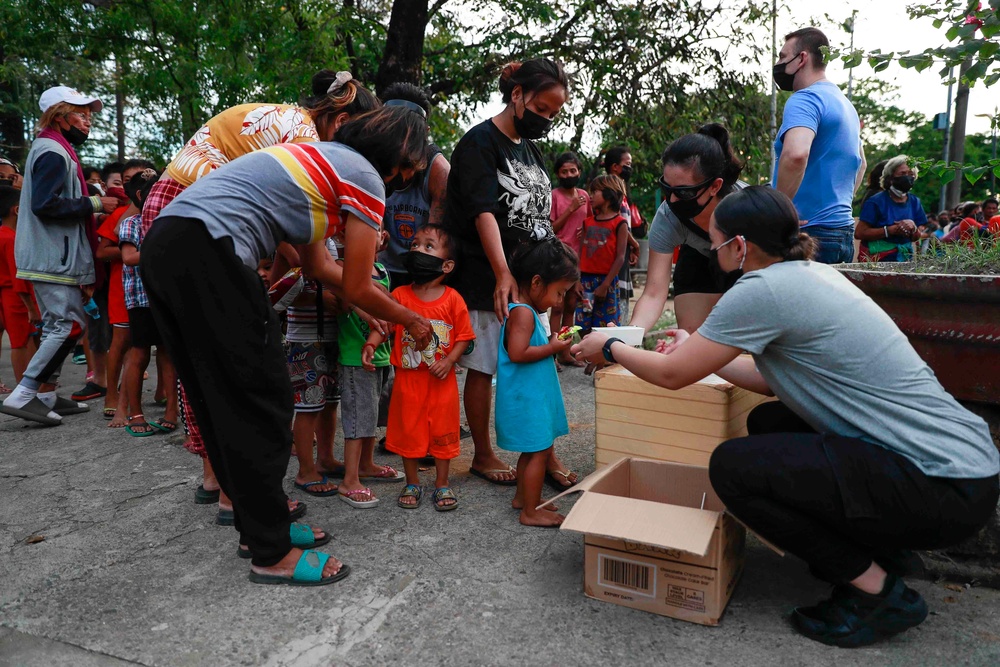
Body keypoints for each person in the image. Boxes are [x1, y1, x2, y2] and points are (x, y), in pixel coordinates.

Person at [572, 185, 999, 648]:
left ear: (740, 246)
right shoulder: (810, 274)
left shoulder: (762, 288)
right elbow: (775, 379)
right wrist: (699, 351)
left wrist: (611, 346)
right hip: (967, 475)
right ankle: (883, 554)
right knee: (771, 423)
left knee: (733, 469)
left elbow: (673, 375)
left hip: (937, 485)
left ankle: (882, 594)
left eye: (715, 245)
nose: (713, 254)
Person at [141, 106, 433, 586]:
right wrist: (411, 319)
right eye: (413, 167)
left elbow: (320, 269)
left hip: (168, 244)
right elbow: (359, 284)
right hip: (211, 248)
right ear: (403, 157)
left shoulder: (318, 161)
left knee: (222, 397)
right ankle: (272, 552)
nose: (409, 177)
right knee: (265, 402)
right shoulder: (365, 177)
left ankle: (256, 529)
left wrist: (379, 310)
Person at [445, 57, 572, 487]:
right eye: (542, 109)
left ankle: (545, 454)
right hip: (487, 276)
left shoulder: (530, 149)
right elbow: (483, 212)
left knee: (537, 364)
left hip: (531, 279)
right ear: (517, 95)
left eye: (554, 113)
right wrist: (502, 273)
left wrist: (560, 275)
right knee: (483, 364)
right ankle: (482, 454)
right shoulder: (480, 143)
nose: (547, 120)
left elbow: (539, 218)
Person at [1, 86, 117, 425]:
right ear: (59, 117)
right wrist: (97, 203)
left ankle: (46, 394)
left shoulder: (54, 148)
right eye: (81, 115)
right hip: (53, 257)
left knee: (65, 324)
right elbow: (45, 205)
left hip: (55, 255)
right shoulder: (52, 151)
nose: (87, 122)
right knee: (65, 326)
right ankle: (24, 394)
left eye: (90, 116)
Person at [374, 224, 475, 511]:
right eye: (415, 244)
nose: (417, 249)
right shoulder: (400, 296)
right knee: (409, 432)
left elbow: (465, 336)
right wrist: (371, 344)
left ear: (448, 264)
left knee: (443, 432)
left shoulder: (453, 299)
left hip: (442, 383)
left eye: (428, 246)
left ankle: (443, 483)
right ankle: (412, 481)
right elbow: (385, 326)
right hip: (408, 381)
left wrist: (449, 360)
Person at [630, 124, 745, 334]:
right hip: (698, 259)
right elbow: (654, 294)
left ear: (715, 186)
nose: (672, 199)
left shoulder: (749, 210)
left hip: (747, 268)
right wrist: (625, 339)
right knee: (693, 336)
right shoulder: (668, 217)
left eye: (684, 192)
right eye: (667, 188)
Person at [496, 238, 578, 526]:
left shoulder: (527, 312)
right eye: (559, 293)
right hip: (526, 399)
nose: (559, 301)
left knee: (532, 450)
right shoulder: (523, 314)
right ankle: (529, 512)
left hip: (530, 396)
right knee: (539, 451)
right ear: (536, 283)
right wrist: (554, 347)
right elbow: (518, 353)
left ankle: (523, 497)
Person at [772, 27, 866, 263]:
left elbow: (795, 155)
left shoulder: (805, 98)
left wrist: (777, 212)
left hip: (808, 236)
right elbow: (861, 164)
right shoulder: (845, 104)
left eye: (783, 57)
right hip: (842, 234)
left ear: (801, 58)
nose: (779, 63)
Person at [336, 232, 404, 509]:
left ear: (383, 238)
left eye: (372, 227)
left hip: (381, 356)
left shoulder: (382, 271)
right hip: (356, 356)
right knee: (357, 419)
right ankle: (349, 480)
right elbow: (342, 304)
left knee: (371, 414)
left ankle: (366, 465)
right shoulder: (341, 269)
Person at [119, 169, 180, 437]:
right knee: (140, 353)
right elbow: (129, 257)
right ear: (144, 196)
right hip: (141, 299)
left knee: (168, 354)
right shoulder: (131, 224)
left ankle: (172, 412)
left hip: (167, 297)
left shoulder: (170, 222)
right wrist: (161, 248)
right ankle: (135, 411)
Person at [377, 82, 451, 289]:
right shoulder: (372, 158)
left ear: (424, 131)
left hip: (421, 273)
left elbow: (435, 238)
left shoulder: (438, 170)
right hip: (379, 269)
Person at [549, 151, 590, 366]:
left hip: (579, 259)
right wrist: (571, 209)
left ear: (579, 172)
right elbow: (551, 227)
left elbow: (591, 224)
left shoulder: (585, 195)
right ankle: (552, 352)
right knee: (556, 306)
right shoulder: (554, 196)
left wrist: (587, 231)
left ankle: (565, 352)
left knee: (571, 307)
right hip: (558, 257)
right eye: (564, 171)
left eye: (572, 170)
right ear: (558, 174)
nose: (569, 174)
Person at [575, 174, 628, 329]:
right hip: (586, 283)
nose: (590, 196)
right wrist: (577, 280)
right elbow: (580, 253)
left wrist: (605, 285)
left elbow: (620, 258)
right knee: (584, 323)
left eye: (595, 192)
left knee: (607, 325)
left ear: (608, 193)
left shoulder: (620, 223)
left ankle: (602, 353)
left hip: (608, 282)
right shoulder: (587, 223)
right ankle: (587, 353)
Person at [0, 185, 39, 385]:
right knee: (20, 342)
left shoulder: (3, 234)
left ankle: (30, 384)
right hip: (15, 296)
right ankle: (23, 390)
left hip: (8, 293)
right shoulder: (11, 238)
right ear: (17, 210)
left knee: (27, 338)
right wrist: (31, 307)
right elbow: (19, 277)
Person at [855, 155, 925, 262]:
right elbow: (859, 233)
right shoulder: (876, 202)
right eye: (902, 173)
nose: (907, 177)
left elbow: (917, 235)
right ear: (891, 177)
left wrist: (913, 227)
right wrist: (888, 231)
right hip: (876, 259)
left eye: (911, 174)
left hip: (904, 260)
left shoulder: (915, 202)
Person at [601, 146, 641, 322]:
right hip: (613, 252)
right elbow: (618, 223)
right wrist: (635, 244)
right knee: (614, 301)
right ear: (615, 167)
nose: (630, 168)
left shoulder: (621, 190)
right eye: (627, 164)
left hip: (622, 252)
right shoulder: (610, 191)